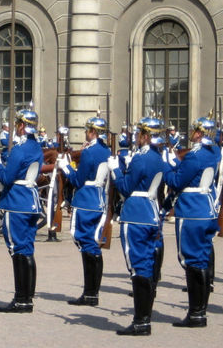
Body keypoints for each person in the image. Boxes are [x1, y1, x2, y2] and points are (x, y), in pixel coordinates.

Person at [109, 115, 167, 335]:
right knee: (147, 264)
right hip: (151, 211)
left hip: (136, 213)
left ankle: (141, 321)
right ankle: (144, 318)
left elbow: (125, 187)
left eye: (139, 134)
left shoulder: (140, 159)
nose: (136, 137)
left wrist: (115, 170)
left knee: (138, 267)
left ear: (145, 136)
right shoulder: (157, 158)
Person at [163, 115, 220, 327]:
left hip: (192, 210)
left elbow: (177, 181)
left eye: (194, 131)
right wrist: (178, 162)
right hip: (206, 208)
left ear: (199, 133)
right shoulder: (211, 153)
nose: (192, 134)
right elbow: (191, 172)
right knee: (202, 259)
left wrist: (168, 167)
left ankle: (195, 313)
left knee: (191, 260)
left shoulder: (194, 156)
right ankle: (201, 311)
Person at [0, 106, 43, 313]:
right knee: (27, 250)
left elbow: (6, 178)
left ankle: (21, 299)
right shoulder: (35, 147)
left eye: (17, 124)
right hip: (30, 201)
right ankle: (27, 297)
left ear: (21, 126)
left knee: (18, 251)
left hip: (17, 202)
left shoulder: (19, 150)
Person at [57, 115, 111, 306]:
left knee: (86, 243)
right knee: (93, 245)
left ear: (93, 132)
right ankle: (92, 292)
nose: (86, 133)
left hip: (86, 199)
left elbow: (78, 180)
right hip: (98, 199)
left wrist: (66, 168)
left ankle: (90, 293)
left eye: (88, 130)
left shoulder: (89, 152)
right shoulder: (106, 150)